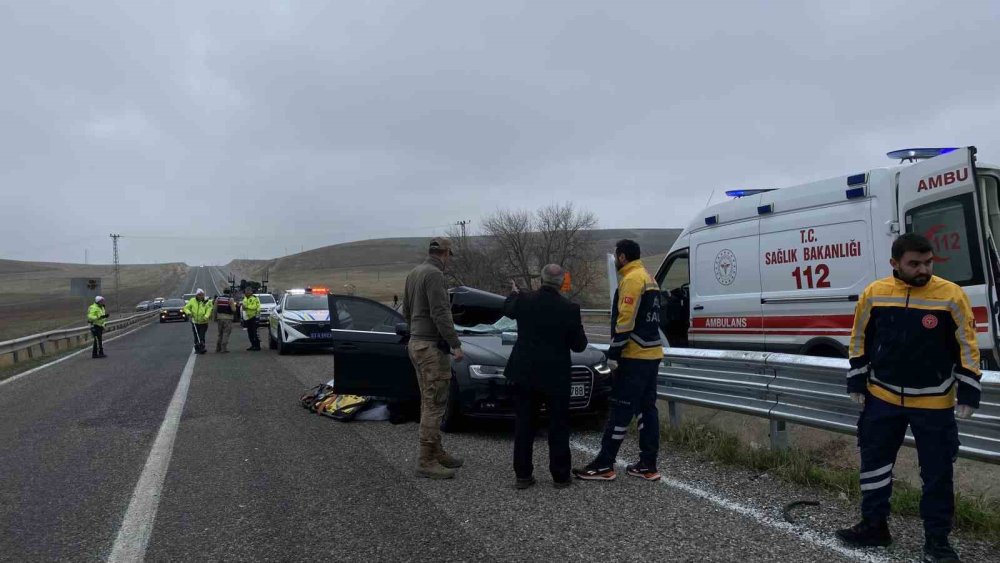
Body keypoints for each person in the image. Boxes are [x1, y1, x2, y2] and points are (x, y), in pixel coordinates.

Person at [836, 233, 981, 562]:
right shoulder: (875, 293)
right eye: (914, 263)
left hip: (934, 403)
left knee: (937, 473)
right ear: (895, 264)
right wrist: (857, 381)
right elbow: (858, 338)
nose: (923, 269)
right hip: (882, 397)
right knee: (874, 464)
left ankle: (937, 541)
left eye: (928, 262)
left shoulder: (951, 295)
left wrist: (970, 388)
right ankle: (874, 526)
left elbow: (968, 346)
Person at [574, 239, 664, 482]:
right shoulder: (649, 277)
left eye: (616, 255)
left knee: (620, 409)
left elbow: (626, 319)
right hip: (652, 354)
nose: (615, 259)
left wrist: (613, 353)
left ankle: (604, 464)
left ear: (622, 256)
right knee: (648, 409)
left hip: (634, 356)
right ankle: (648, 464)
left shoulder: (633, 279)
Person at [504, 264, 588, 489]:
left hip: (524, 374)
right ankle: (560, 476)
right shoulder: (570, 308)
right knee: (558, 426)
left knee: (524, 425)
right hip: (556, 377)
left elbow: (508, 309)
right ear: (561, 282)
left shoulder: (524, 300)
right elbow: (579, 346)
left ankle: (523, 475)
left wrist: (514, 292)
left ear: (541, 280)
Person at [402, 237, 464, 480]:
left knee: (428, 400)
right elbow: (440, 312)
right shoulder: (435, 275)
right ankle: (426, 460)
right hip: (430, 348)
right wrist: (455, 344)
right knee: (435, 403)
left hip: (416, 343)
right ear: (445, 254)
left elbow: (406, 310)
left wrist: (416, 332)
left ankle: (436, 451)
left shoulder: (414, 273)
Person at [183, 289, 213, 355]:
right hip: (195, 322)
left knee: (201, 336)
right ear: (196, 295)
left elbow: (209, 309)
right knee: (196, 336)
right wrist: (189, 313)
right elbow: (185, 308)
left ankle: (202, 348)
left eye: (202, 295)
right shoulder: (192, 300)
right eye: (199, 295)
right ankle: (197, 348)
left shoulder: (207, 301)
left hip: (203, 322)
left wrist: (206, 316)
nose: (201, 296)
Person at [213, 288, 237, 353]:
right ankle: (224, 348)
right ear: (229, 292)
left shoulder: (218, 298)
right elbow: (234, 309)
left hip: (219, 318)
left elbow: (215, 309)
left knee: (220, 333)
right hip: (228, 318)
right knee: (226, 333)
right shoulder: (230, 299)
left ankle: (218, 348)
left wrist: (214, 318)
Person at [241, 287, 261, 351]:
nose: (246, 293)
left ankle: (257, 346)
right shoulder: (245, 298)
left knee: (255, 332)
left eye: (248, 292)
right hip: (247, 318)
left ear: (251, 292)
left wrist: (247, 307)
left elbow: (255, 306)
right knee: (250, 333)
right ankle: (252, 345)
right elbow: (244, 306)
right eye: (246, 292)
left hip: (253, 317)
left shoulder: (255, 298)